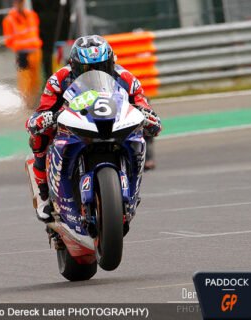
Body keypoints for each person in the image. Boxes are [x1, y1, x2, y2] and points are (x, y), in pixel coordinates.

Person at [26, 35, 162, 222]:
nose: (94, 72)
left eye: (100, 67)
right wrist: (45, 119)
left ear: (111, 63)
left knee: (139, 134)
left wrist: (148, 116)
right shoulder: (59, 79)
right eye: (86, 69)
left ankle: (131, 187)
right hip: (75, 124)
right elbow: (41, 112)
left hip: (112, 123)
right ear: (74, 66)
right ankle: (43, 194)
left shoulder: (126, 78)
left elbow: (143, 106)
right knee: (38, 137)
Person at [2, 0, 43, 107]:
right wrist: (19, 46)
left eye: (21, 2)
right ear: (14, 3)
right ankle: (27, 104)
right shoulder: (9, 20)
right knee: (25, 81)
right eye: (17, 2)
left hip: (35, 52)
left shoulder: (32, 15)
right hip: (22, 54)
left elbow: (36, 32)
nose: (20, 4)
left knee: (36, 81)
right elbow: (8, 40)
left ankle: (35, 103)